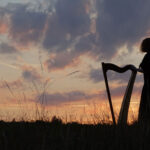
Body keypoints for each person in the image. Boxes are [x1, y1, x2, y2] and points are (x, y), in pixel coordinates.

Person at [138, 38, 150, 123]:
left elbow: (141, 68)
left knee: (145, 105)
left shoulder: (148, 56)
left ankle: (144, 124)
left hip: (148, 85)